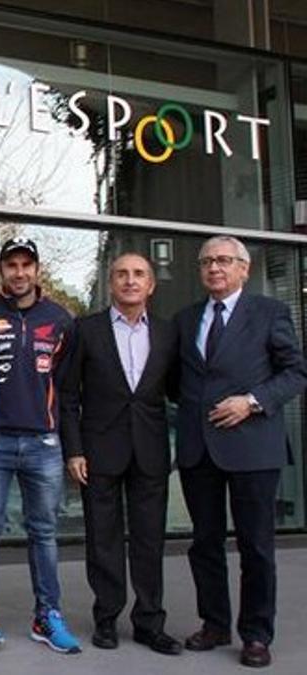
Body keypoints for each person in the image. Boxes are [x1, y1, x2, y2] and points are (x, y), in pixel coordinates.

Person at [174, 235, 306, 669]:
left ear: (244, 269)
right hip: (200, 450)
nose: (215, 268)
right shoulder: (185, 317)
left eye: (225, 261)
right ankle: (214, 624)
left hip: (253, 447)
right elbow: (177, 380)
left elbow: (295, 373)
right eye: (208, 261)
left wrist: (250, 401)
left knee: (256, 546)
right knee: (205, 543)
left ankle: (255, 634)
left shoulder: (270, 313)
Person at [59, 253, 181, 656]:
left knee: (149, 540)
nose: (130, 281)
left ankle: (149, 621)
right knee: (104, 540)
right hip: (98, 452)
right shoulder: (86, 330)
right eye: (122, 274)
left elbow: (178, 391)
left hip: (150, 452)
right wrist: (73, 449)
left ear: (151, 285)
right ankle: (107, 618)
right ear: (111, 283)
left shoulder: (167, 333)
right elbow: (67, 395)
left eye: (139, 274)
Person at [0, 237, 80, 654]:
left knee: (44, 533)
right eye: (11, 265)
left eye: (25, 265)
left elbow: (67, 391)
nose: (19, 272)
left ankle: (47, 616)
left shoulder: (61, 320)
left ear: (37, 270)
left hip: (44, 444)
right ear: (1, 270)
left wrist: (72, 445)